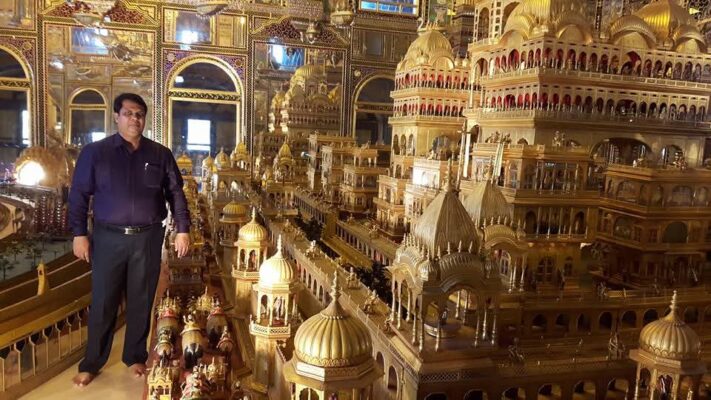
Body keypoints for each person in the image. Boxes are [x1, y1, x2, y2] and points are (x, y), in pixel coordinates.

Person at [68, 93, 191, 387]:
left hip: (147, 237)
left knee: (141, 298)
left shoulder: (160, 155)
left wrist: (183, 228)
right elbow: (79, 195)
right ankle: (92, 362)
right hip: (108, 238)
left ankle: (134, 356)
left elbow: (176, 193)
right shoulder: (96, 153)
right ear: (116, 116)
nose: (134, 119)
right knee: (103, 301)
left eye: (139, 114)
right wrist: (79, 234)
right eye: (128, 113)